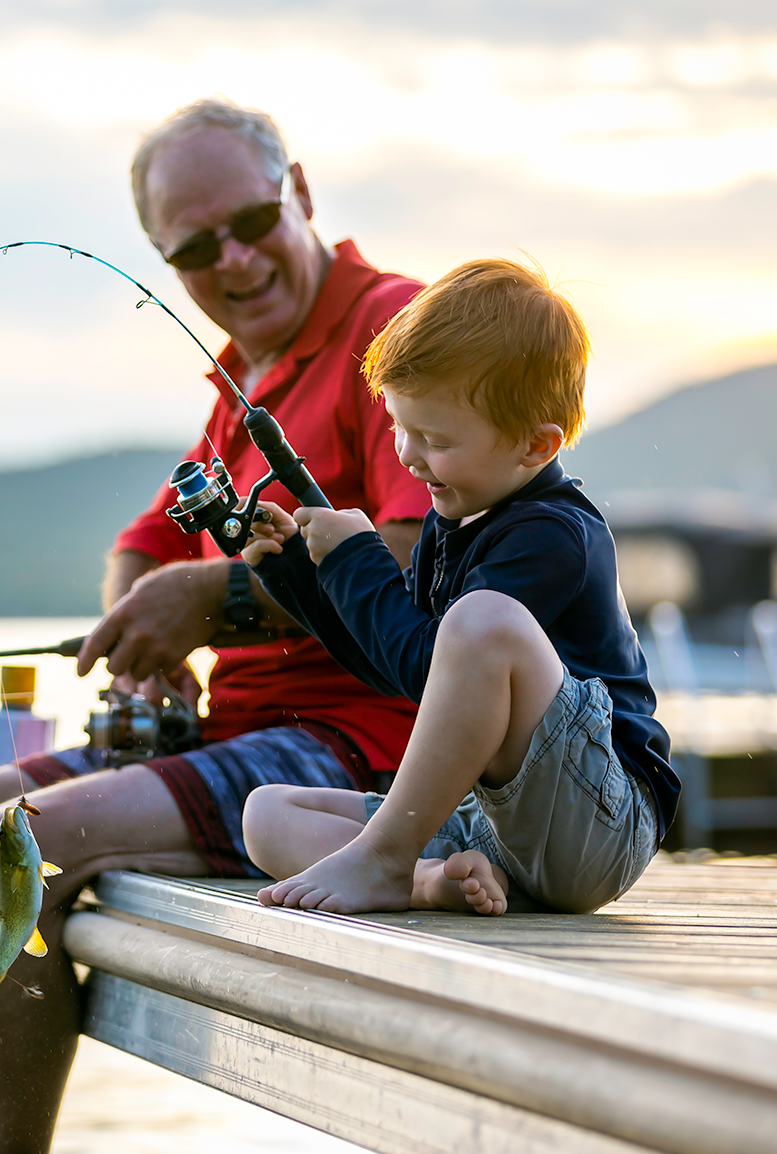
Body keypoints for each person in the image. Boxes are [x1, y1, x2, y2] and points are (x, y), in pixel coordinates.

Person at [0, 98, 433, 1152]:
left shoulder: (391, 332)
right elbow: (143, 540)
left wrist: (206, 604)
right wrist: (147, 636)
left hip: (351, 751)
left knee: (6, 847)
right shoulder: (248, 372)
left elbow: (416, 556)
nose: (236, 260)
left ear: (299, 193)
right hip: (232, 738)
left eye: (254, 223)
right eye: (195, 247)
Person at [238, 258, 680, 917]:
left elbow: (432, 656)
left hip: (597, 825)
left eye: (434, 438)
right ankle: (425, 878)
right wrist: (301, 571)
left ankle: (385, 859)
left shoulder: (554, 534)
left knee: (480, 622)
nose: (408, 455)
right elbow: (397, 665)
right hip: (493, 826)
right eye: (398, 425)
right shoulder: (456, 522)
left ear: (536, 445)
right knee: (266, 814)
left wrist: (360, 555)